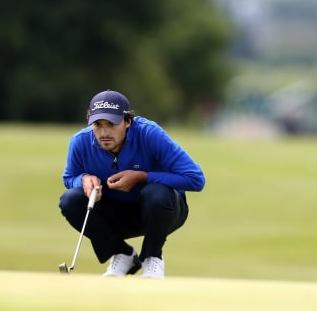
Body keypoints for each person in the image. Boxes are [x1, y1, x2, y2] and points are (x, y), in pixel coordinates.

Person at [59, 89, 206, 278]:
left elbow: (195, 179)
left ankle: (153, 257)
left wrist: (142, 177)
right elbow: (69, 177)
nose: (104, 132)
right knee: (70, 200)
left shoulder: (149, 134)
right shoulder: (80, 142)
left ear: (128, 121)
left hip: (162, 212)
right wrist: (83, 179)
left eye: (111, 124)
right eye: (97, 125)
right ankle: (122, 253)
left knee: (156, 192)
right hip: (116, 215)